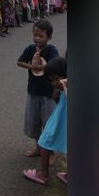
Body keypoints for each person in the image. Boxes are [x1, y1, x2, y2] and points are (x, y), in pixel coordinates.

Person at [16, 19, 60, 159]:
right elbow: (20, 62)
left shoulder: (51, 50)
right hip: (33, 92)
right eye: (35, 35)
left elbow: (55, 65)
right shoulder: (30, 49)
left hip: (48, 94)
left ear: (49, 37)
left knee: (48, 123)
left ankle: (50, 153)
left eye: (41, 36)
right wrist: (31, 66)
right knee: (34, 122)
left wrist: (42, 66)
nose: (37, 38)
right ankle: (39, 147)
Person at [24, 56, 68, 185]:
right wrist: (57, 88)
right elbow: (56, 98)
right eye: (51, 80)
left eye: (55, 79)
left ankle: (43, 175)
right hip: (62, 120)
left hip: (60, 120)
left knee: (43, 142)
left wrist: (62, 85)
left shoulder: (66, 83)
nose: (54, 83)